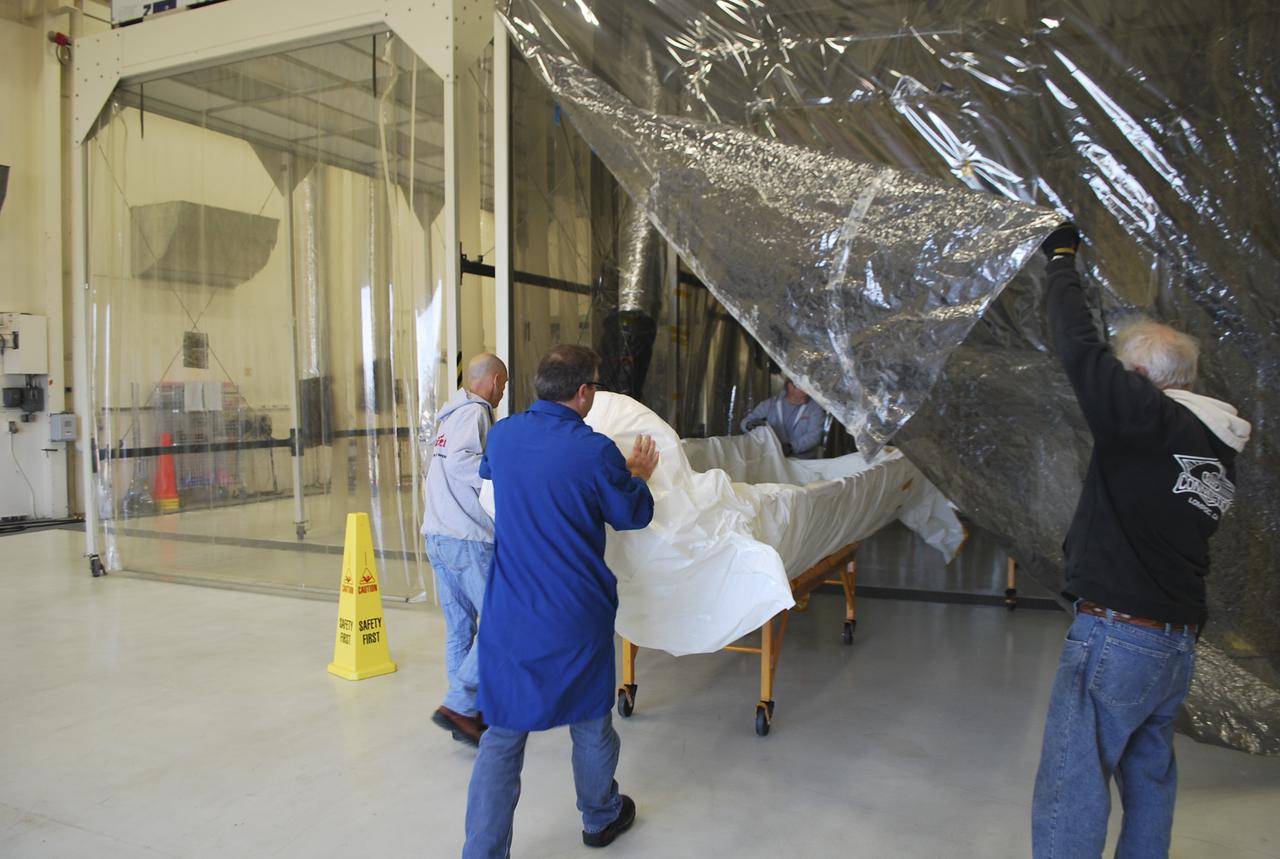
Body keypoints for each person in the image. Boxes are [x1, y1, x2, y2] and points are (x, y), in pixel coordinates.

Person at [1031, 224, 1251, 857]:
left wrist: (1064, 258)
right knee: (1149, 778)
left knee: (1072, 784)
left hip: (1118, 637)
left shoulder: (1149, 420)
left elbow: (1077, 346)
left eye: (1124, 376)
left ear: (1140, 379)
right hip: (1174, 644)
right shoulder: (1214, 445)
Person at [462, 344, 659, 858]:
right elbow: (632, 516)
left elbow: (492, 484)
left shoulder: (503, 436)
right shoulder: (594, 451)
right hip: (574, 615)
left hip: (510, 614)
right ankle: (600, 816)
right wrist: (637, 475)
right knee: (591, 720)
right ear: (585, 392)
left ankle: (482, 852)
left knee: (502, 738)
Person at [423, 353, 508, 747]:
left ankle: (465, 715)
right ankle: (459, 705)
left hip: (437, 534)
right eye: (503, 385)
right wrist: (502, 476)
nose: (503, 392)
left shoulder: (447, 415)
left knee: (460, 627)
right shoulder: (476, 412)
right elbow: (461, 464)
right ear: (491, 381)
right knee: (499, 621)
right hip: (465, 538)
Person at [740, 377, 826, 458]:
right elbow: (745, 422)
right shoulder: (770, 404)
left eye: (808, 388)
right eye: (803, 388)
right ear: (790, 387)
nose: (807, 392)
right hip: (774, 459)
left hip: (803, 462)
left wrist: (791, 447)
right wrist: (749, 425)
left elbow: (814, 436)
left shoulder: (815, 408)